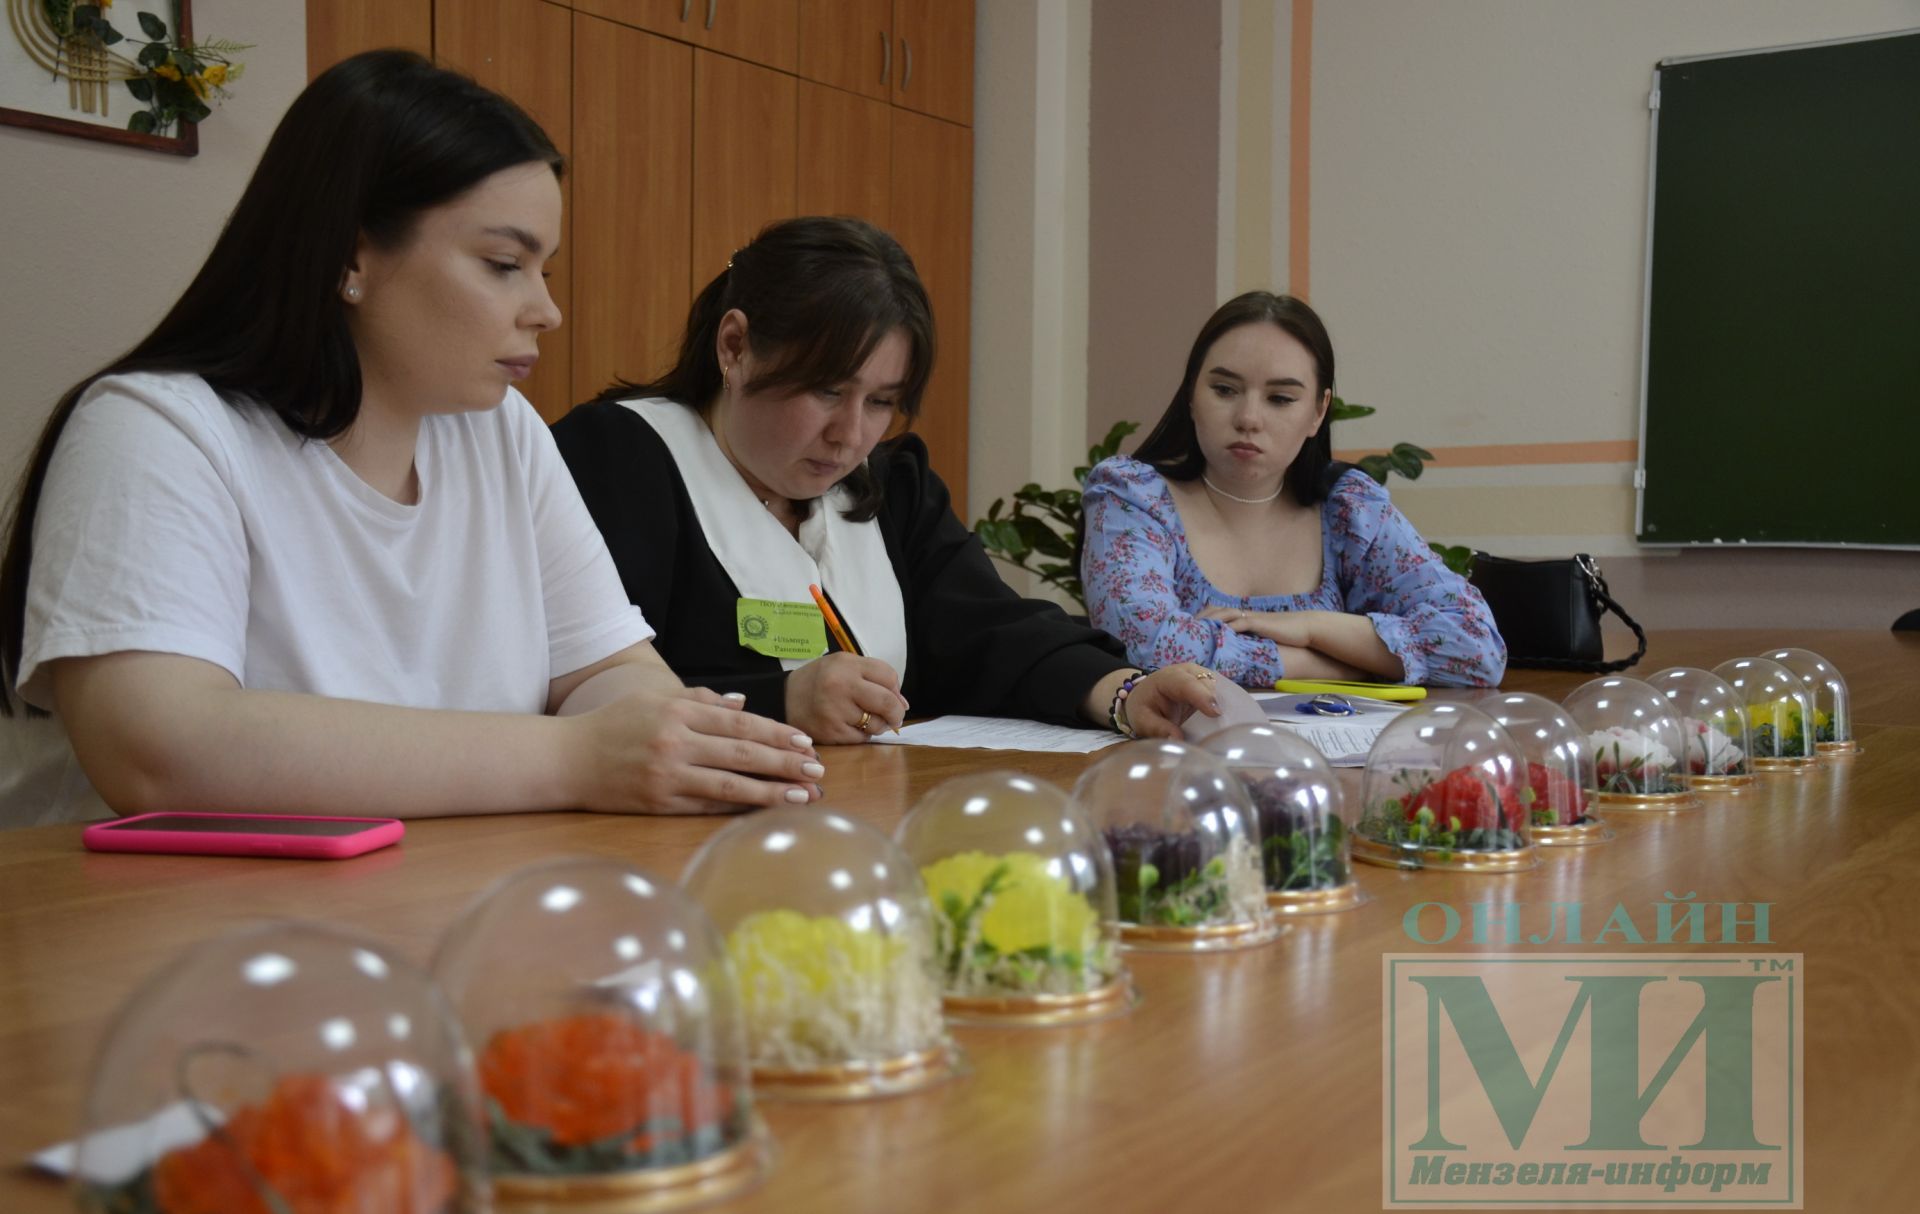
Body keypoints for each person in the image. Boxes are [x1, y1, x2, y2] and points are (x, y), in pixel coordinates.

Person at [0, 50, 823, 828]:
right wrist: (575, 758)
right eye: (505, 264)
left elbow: (606, 671)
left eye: (547, 272)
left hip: (435, 912)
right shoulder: (158, 429)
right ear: (351, 254)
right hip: (172, 944)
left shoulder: (502, 432)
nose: (546, 310)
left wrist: (671, 741)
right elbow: (158, 750)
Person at [549, 216, 1221, 745]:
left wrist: (1122, 690)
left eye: (879, 402)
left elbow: (990, 630)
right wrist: (780, 701)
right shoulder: (621, 457)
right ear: (734, 347)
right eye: (824, 390)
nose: (850, 435)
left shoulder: (892, 487)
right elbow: (588, 684)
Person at [1081, 292, 1505, 688]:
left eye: (1280, 398)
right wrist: (1334, 664)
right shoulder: (1133, 496)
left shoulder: (1349, 511)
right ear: (1192, 395)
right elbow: (1144, 648)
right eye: (1225, 390)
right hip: (1179, 761)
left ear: (1318, 413)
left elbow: (1476, 646)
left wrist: (1312, 626)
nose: (1248, 417)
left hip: (1335, 763)